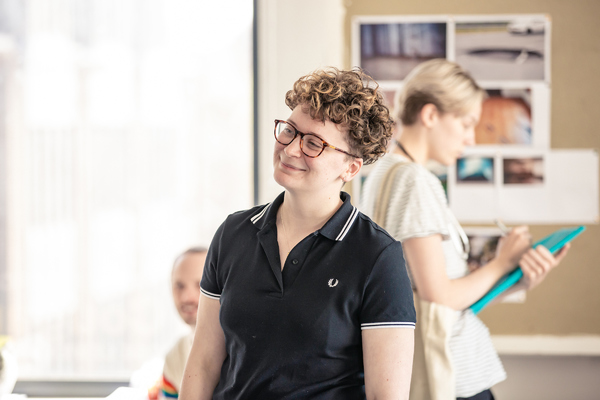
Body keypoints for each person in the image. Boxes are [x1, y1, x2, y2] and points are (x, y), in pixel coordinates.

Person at [180, 68, 416, 400]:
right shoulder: (233, 233)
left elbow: (385, 397)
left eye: (314, 143)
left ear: (350, 167)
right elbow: (203, 362)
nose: (291, 149)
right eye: (289, 131)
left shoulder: (377, 256)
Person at [360, 59, 570, 400]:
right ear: (430, 116)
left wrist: (514, 278)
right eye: (466, 123)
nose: (471, 139)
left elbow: (434, 297)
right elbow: (439, 297)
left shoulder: (383, 172)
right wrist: (502, 263)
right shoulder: (414, 180)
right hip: (453, 379)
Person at [158, 247, 208, 399]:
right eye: (179, 286)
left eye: (200, 285)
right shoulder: (174, 357)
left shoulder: (241, 350)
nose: (187, 297)